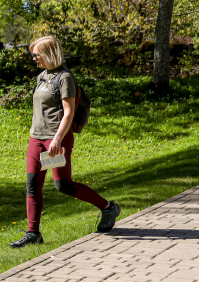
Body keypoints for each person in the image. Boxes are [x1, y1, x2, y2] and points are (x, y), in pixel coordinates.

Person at [10, 35, 121, 248]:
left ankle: (108, 208)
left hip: (56, 139)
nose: (34, 58)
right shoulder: (42, 76)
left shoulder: (65, 77)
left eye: (37, 55)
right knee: (32, 185)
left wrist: (57, 139)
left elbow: (69, 113)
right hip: (36, 138)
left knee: (63, 185)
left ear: (49, 54)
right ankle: (33, 234)